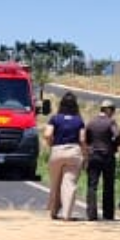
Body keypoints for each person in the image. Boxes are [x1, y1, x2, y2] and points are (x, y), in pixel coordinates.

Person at [42, 92, 85, 220]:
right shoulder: (79, 121)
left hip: (57, 151)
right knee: (69, 184)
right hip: (73, 152)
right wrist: (85, 154)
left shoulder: (55, 119)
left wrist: (51, 144)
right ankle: (67, 214)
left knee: (55, 183)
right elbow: (82, 139)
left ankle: (54, 211)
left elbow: (47, 134)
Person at [83, 100, 120, 221]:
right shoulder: (111, 122)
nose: (113, 113)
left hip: (93, 155)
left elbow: (86, 137)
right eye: (113, 110)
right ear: (108, 110)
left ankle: (91, 214)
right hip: (107, 156)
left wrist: (90, 148)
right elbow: (117, 135)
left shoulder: (91, 122)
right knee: (108, 185)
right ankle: (108, 214)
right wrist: (114, 145)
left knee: (92, 185)